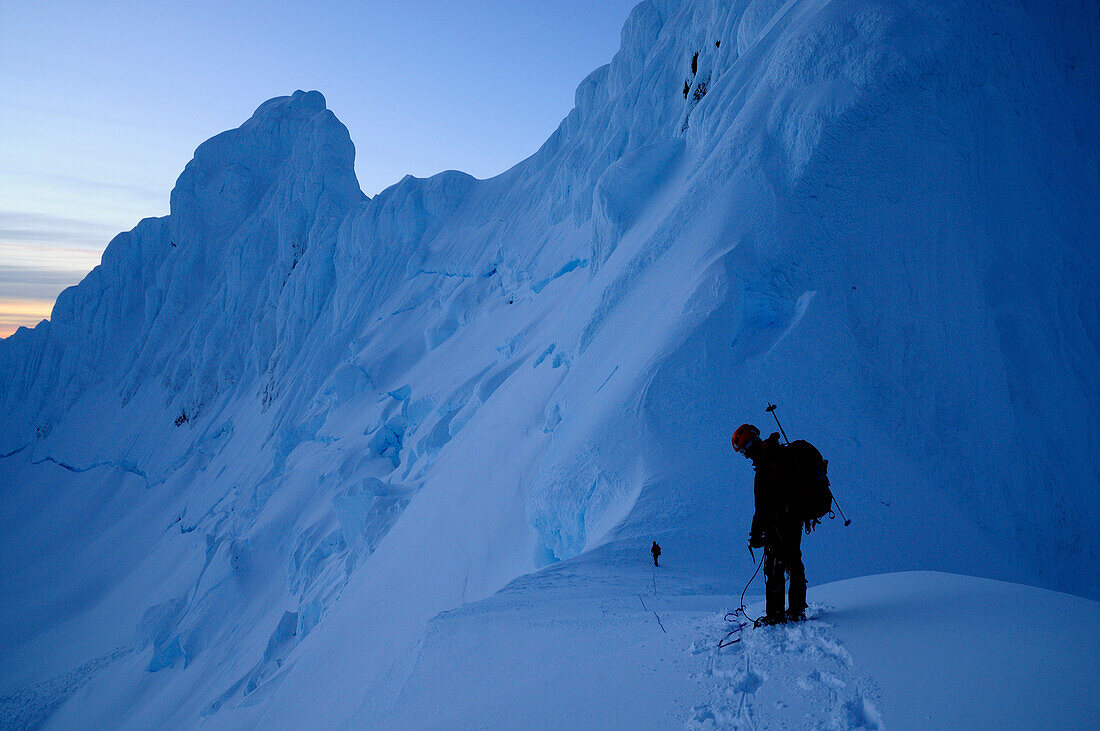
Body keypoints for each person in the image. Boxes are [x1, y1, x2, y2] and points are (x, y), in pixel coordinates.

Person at [731, 423, 807, 625]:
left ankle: (775, 615)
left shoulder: (766, 464)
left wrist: (756, 534)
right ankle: (797, 610)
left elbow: (762, 506)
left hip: (779, 522)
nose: (746, 455)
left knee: (774, 566)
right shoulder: (778, 454)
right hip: (795, 517)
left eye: (745, 449)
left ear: (751, 442)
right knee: (793, 560)